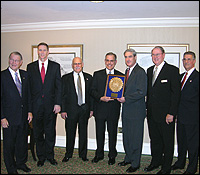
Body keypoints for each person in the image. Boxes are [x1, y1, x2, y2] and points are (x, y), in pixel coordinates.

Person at [145, 46, 181, 174]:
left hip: (166, 115)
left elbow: (176, 94)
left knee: (167, 142)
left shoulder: (172, 70)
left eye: (158, 54)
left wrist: (172, 113)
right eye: (153, 55)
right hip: (152, 114)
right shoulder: (149, 71)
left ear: (163, 55)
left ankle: (166, 168)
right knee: (155, 140)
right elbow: (149, 93)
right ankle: (155, 162)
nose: (155, 57)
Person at [27, 42, 62, 167]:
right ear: (38, 52)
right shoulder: (30, 67)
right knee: (38, 133)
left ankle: (50, 156)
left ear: (48, 52)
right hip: (36, 107)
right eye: (40, 50)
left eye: (44, 50)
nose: (42, 52)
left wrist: (58, 103)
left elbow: (59, 87)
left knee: (50, 132)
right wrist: (30, 109)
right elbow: (29, 90)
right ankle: (41, 157)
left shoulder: (55, 66)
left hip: (51, 106)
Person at [1, 52, 32, 174]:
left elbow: (28, 95)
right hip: (8, 118)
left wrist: (30, 111)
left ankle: (20, 163)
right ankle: (11, 168)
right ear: (9, 60)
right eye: (12, 60)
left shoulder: (25, 75)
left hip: (23, 116)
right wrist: (2, 117)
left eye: (17, 60)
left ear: (21, 62)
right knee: (9, 145)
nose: (14, 62)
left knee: (22, 142)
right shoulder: (2, 76)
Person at [90, 52, 124, 165]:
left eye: (112, 61)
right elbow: (92, 91)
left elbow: (123, 92)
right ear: (105, 61)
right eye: (107, 60)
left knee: (112, 133)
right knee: (99, 133)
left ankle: (112, 155)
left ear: (115, 62)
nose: (109, 63)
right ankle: (99, 154)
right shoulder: (97, 74)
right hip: (100, 109)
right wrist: (101, 98)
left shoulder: (120, 76)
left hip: (113, 110)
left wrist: (121, 97)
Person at [117, 49, 147, 173]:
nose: (128, 59)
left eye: (130, 57)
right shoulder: (127, 71)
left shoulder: (140, 72)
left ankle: (135, 163)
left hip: (136, 111)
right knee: (127, 137)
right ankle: (128, 158)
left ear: (135, 57)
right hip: (127, 110)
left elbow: (141, 92)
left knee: (135, 138)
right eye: (126, 57)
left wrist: (125, 98)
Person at [171, 51, 199, 174]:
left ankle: (192, 167)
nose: (186, 62)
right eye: (184, 59)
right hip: (180, 116)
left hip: (193, 117)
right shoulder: (180, 76)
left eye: (188, 59)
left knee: (192, 144)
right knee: (181, 141)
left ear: (194, 61)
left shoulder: (197, 77)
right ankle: (180, 162)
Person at [61, 57, 93, 162]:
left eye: (79, 63)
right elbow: (62, 95)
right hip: (70, 110)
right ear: (72, 65)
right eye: (75, 64)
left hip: (84, 109)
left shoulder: (89, 77)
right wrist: (63, 110)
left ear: (82, 64)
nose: (77, 65)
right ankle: (68, 154)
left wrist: (91, 109)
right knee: (70, 133)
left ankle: (83, 154)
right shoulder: (65, 78)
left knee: (83, 133)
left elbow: (91, 95)